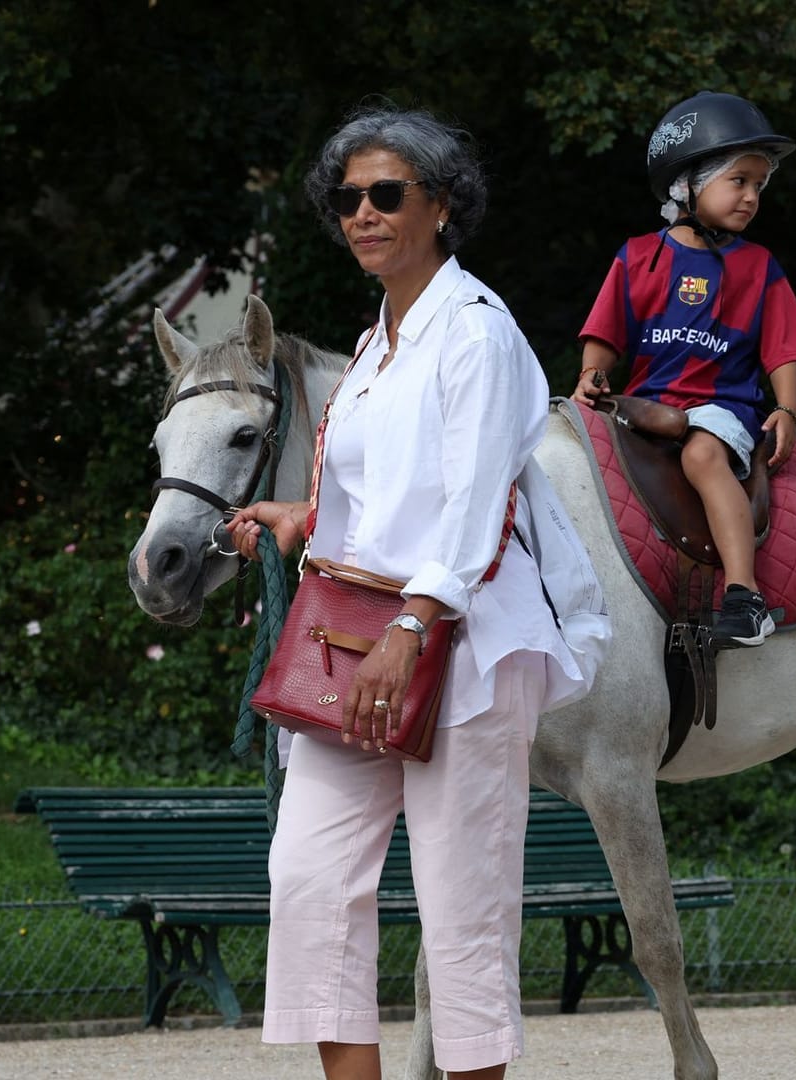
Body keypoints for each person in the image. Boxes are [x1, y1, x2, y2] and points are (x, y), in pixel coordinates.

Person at [228, 103, 590, 1080]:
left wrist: (415, 621)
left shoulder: (477, 335)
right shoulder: (377, 345)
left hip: (459, 648)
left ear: (441, 205)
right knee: (306, 879)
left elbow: (475, 505)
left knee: (463, 907)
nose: (364, 214)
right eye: (347, 200)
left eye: (388, 194)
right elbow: (382, 497)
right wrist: (302, 524)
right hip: (356, 649)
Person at [572, 91, 796, 648]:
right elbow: (605, 332)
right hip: (648, 406)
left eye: (760, 184)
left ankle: (744, 598)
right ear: (687, 183)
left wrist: (786, 409)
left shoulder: (759, 266)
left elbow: (783, 349)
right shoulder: (638, 256)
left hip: (721, 409)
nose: (752, 196)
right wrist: (593, 372)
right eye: (739, 181)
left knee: (703, 453)